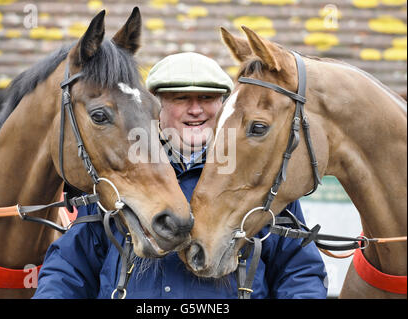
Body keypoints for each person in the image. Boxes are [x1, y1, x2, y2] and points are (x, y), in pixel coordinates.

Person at [33, 52, 328, 299]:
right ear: (156, 105)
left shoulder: (259, 178)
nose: (196, 109)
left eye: (207, 98)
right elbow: (69, 268)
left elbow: (299, 271)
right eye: (181, 98)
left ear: (224, 105)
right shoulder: (119, 175)